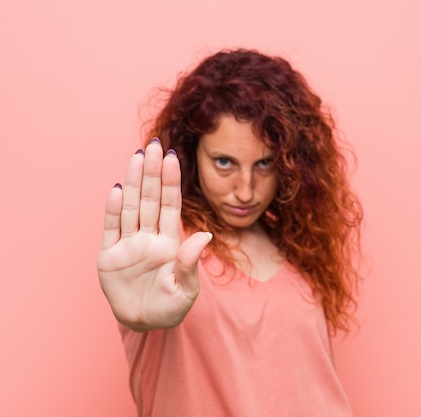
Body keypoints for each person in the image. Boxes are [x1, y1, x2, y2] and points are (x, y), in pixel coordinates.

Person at [97, 49, 363, 417]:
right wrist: (137, 318)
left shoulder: (300, 251)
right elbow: (144, 309)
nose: (245, 189)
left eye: (264, 163)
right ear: (192, 153)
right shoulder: (163, 249)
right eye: (224, 162)